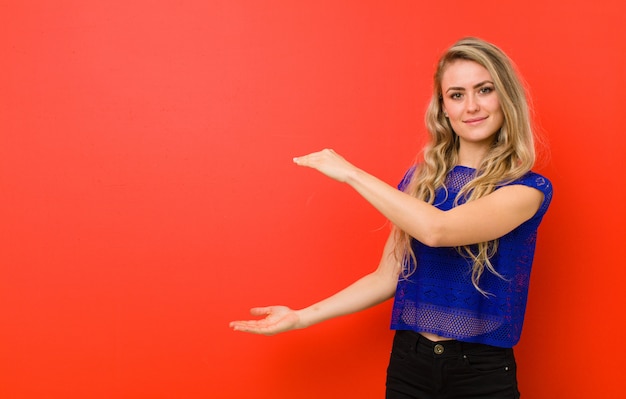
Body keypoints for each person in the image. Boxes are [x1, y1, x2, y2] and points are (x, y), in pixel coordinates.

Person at [230, 37, 552, 399]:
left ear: (504, 98)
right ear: (444, 107)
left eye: (485, 90)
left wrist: (352, 173)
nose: (472, 106)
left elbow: (437, 230)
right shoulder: (420, 181)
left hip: (480, 373)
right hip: (410, 364)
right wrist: (302, 316)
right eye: (457, 94)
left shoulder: (527, 190)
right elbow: (387, 277)